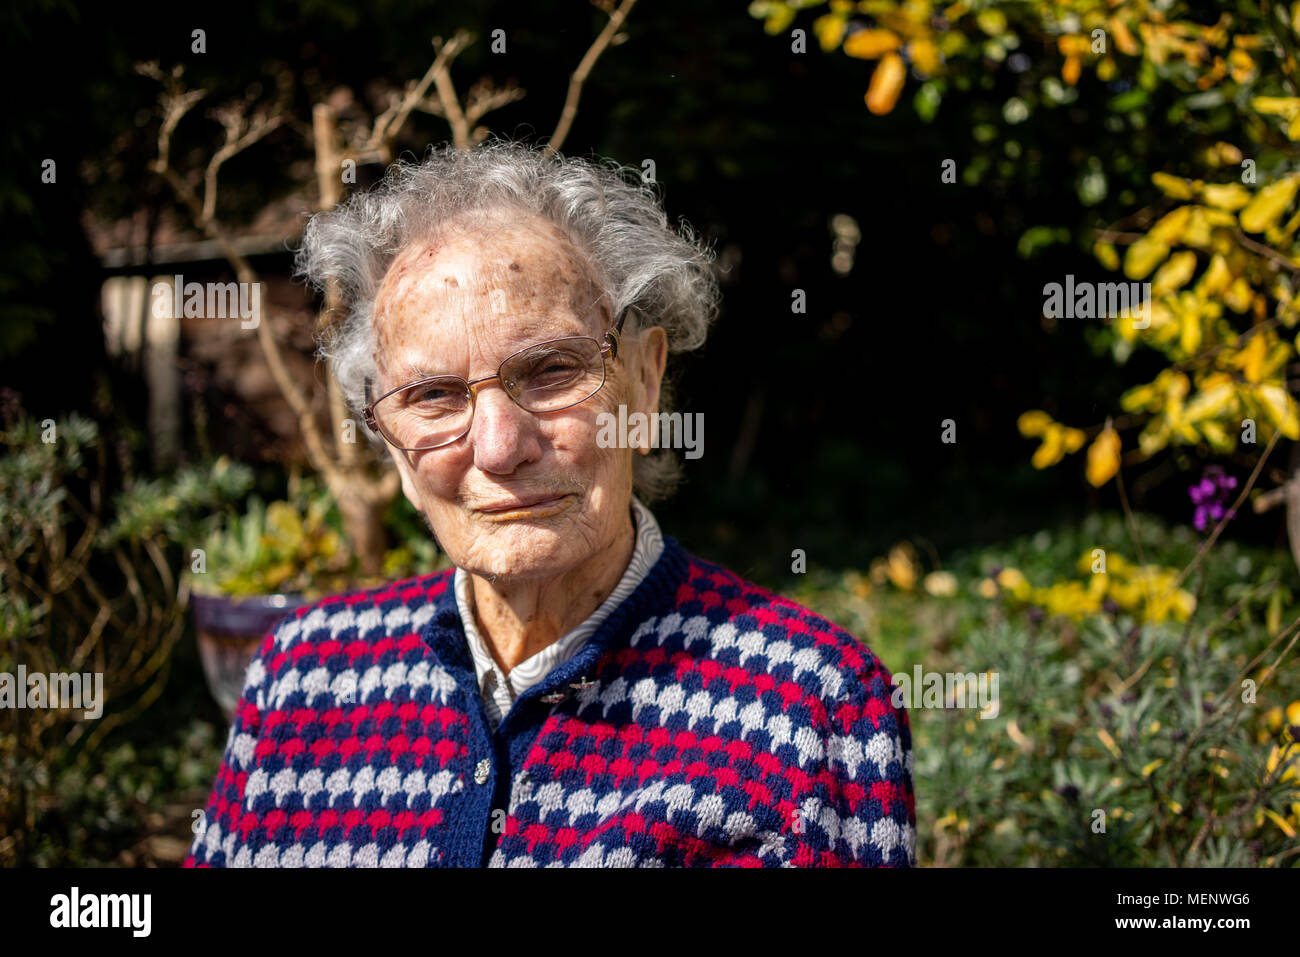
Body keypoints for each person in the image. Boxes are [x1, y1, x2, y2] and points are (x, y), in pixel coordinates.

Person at [185, 139, 916, 867]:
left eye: (552, 369)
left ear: (645, 380)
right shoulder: (301, 677)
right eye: (433, 396)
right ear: (389, 441)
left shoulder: (811, 705)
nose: (501, 447)